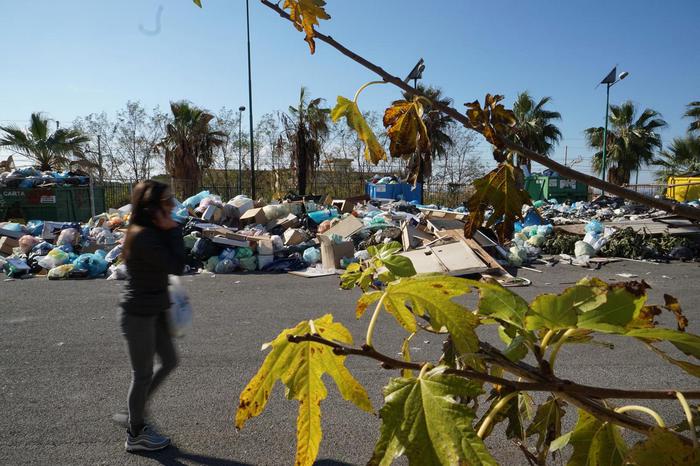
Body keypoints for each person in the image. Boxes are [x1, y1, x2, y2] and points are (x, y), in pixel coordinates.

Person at [117, 180, 185, 452]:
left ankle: (134, 410)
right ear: (153, 208)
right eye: (167, 201)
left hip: (153, 309)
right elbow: (176, 265)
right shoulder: (143, 236)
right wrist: (173, 230)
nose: (172, 206)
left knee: (169, 360)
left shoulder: (151, 231)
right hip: (138, 314)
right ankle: (135, 433)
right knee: (142, 374)